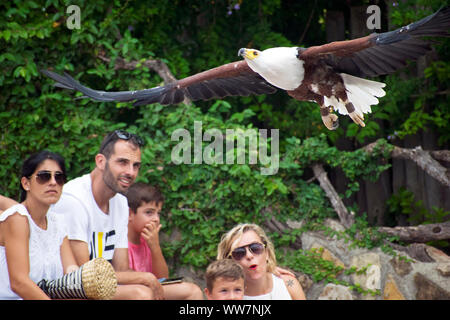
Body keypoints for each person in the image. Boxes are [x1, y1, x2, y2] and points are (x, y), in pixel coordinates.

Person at [49, 130, 163, 299]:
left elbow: (121, 269)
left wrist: (149, 279)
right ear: (101, 161)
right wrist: (145, 277)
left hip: (105, 285)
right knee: (141, 294)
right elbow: (84, 275)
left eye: (135, 165)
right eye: (122, 162)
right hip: (71, 290)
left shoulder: (120, 203)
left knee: (189, 291)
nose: (131, 172)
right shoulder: (74, 200)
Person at [0, 150, 78, 299]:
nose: (53, 182)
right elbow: (19, 283)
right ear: (26, 183)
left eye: (59, 177)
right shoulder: (17, 218)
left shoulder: (58, 222)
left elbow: (70, 272)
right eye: (44, 176)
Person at [127, 182, 203, 299]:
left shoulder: (147, 240)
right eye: (149, 212)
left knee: (193, 291)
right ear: (130, 214)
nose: (156, 219)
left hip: (150, 291)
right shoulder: (120, 242)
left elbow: (163, 278)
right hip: (132, 294)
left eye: (158, 213)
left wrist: (155, 247)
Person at [217, 223, 306, 300]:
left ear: (266, 252)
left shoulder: (288, 283)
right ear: (230, 262)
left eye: (255, 248)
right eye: (239, 253)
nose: (249, 256)